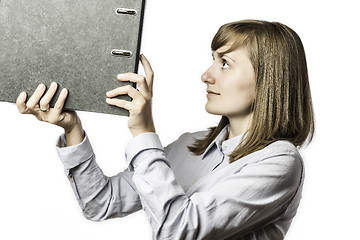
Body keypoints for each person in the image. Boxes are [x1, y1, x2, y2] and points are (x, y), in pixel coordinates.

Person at [16, 19, 314, 240]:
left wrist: (144, 132)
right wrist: (73, 129)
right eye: (213, 60)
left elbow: (178, 230)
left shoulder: (279, 162)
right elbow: (100, 203)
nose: (206, 75)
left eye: (225, 64)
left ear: (269, 80)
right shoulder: (191, 144)